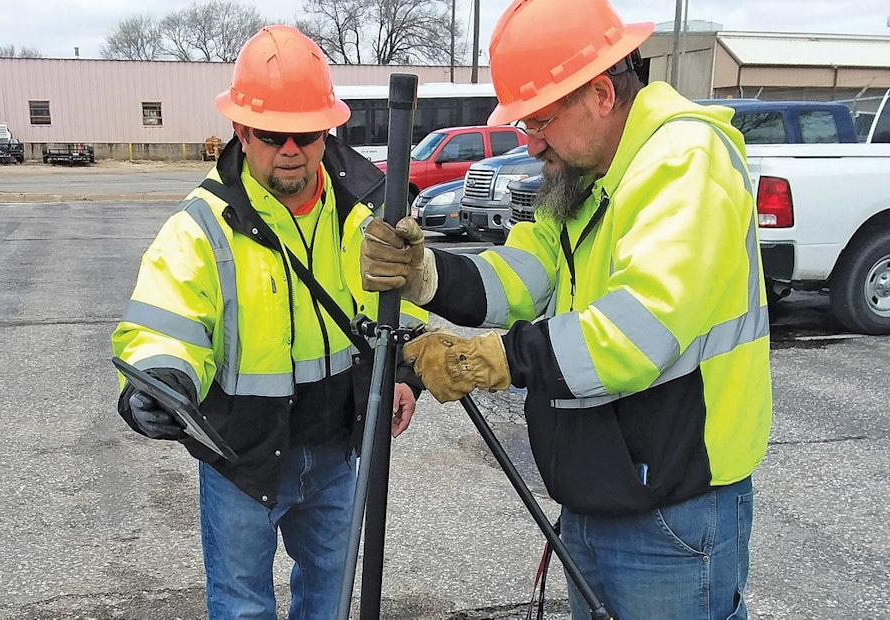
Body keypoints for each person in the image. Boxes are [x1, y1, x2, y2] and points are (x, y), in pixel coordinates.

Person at [360, 0, 773, 618]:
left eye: (540, 121)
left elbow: (635, 333)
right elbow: (523, 275)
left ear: (602, 93)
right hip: (596, 493)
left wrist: (491, 360)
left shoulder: (684, 162)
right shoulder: (584, 172)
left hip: (673, 508)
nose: (529, 143)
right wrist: (427, 276)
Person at [112, 25, 426, 620]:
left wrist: (405, 370)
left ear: (326, 131)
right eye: (271, 133)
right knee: (241, 608)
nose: (290, 148)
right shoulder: (200, 225)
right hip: (242, 457)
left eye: (305, 133)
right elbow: (167, 317)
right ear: (239, 130)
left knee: (329, 602)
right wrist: (162, 378)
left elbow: (393, 308)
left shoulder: (363, 214)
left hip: (336, 452)